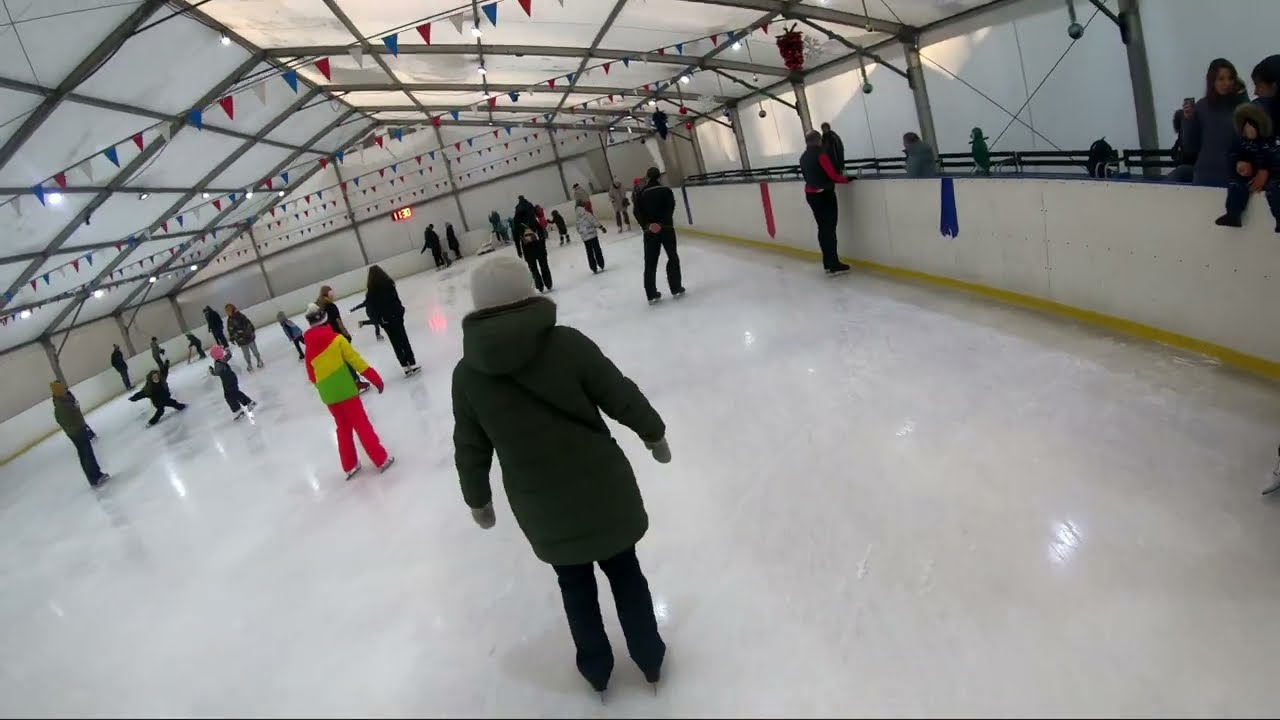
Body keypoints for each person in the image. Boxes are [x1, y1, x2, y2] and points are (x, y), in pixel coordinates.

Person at [451, 256, 672, 695]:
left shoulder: (467, 376)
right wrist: (653, 431)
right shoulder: (567, 344)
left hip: (541, 504)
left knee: (574, 585)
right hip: (603, 487)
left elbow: (470, 446)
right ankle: (649, 657)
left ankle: (597, 669)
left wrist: (477, 498)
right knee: (626, 573)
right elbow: (618, 392)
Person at [303, 302, 393, 479]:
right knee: (361, 423)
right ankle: (380, 458)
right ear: (325, 319)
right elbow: (357, 362)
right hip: (346, 391)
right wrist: (375, 379)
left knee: (343, 428)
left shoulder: (309, 348)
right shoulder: (337, 340)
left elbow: (311, 375)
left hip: (328, 396)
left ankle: (349, 465)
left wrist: (325, 387)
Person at [1178, 58, 1251, 186]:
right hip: (1205, 174)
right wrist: (1188, 119)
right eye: (1221, 79)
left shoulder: (1242, 106)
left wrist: (1242, 94)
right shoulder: (1202, 106)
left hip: (1235, 175)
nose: (1226, 83)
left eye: (1230, 78)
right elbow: (1190, 146)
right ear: (1212, 81)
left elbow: (1252, 140)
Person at [1215, 103, 1280, 230]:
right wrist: (1239, 164)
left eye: (1252, 126)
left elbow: (1275, 158)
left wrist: (1265, 169)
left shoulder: (1271, 142)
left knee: (1275, 188)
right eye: (1246, 126)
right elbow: (1231, 156)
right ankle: (1233, 215)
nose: (1249, 129)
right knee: (1236, 185)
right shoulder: (1240, 143)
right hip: (1249, 178)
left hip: (1273, 177)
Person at [800, 130, 852, 275]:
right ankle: (833, 262)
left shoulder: (803, 157)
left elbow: (806, 176)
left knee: (823, 229)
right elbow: (833, 175)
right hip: (824, 195)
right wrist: (847, 179)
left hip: (811, 195)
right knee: (829, 229)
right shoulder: (821, 154)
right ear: (819, 140)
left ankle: (827, 262)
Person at [633, 167, 685, 303]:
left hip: (650, 232)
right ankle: (676, 288)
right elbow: (670, 208)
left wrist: (648, 225)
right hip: (666, 228)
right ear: (659, 178)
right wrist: (662, 223)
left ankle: (651, 294)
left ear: (648, 178)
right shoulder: (666, 191)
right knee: (672, 257)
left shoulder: (641, 193)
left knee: (650, 263)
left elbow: (637, 212)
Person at [363, 264, 420, 376]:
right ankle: (412, 363)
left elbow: (372, 309)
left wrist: (380, 320)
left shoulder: (370, 292)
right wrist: (400, 311)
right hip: (396, 317)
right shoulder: (389, 285)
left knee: (395, 343)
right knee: (403, 339)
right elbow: (396, 300)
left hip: (385, 321)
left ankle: (404, 366)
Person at [52, 381, 109, 488]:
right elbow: (68, 417)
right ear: (59, 390)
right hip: (77, 431)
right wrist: (75, 411)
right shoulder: (62, 405)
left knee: (86, 453)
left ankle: (95, 475)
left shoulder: (63, 400)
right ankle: (95, 477)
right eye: (62, 388)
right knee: (86, 454)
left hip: (76, 430)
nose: (64, 390)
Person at [318, 285, 371, 393]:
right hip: (337, 337)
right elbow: (338, 322)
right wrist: (346, 335)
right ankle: (356, 383)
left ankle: (347, 384)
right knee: (347, 359)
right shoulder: (330, 306)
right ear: (328, 294)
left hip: (326, 339)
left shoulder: (320, 307)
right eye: (331, 292)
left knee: (339, 362)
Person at [128, 360, 187, 427]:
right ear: (151, 379)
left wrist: (166, 364)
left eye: (157, 376)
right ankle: (151, 422)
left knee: (173, 403)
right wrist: (134, 398)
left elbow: (165, 371)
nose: (156, 378)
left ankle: (182, 407)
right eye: (154, 377)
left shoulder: (162, 379)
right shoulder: (149, 387)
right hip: (157, 402)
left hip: (165, 398)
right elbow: (141, 394)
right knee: (161, 410)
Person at [515, 196, 552, 292]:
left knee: (533, 268)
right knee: (544, 265)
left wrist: (519, 250)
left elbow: (516, 237)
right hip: (538, 245)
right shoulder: (532, 219)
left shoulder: (517, 221)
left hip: (527, 248)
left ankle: (539, 285)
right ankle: (548, 283)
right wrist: (542, 242)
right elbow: (540, 231)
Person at [209, 345, 256, 419]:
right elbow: (229, 355)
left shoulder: (218, 364)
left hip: (227, 380)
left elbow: (217, 372)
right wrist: (228, 350)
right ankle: (240, 408)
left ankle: (247, 404)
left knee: (231, 394)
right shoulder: (223, 359)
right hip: (232, 378)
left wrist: (212, 371)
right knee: (232, 394)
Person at [225, 303, 263, 371]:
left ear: (231, 310)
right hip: (241, 340)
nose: (227, 313)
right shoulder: (229, 320)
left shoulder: (240, 316)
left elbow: (247, 325)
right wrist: (232, 338)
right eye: (226, 311)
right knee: (246, 354)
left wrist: (245, 332)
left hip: (248, 337)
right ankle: (249, 364)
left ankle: (259, 360)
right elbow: (230, 329)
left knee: (254, 350)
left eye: (228, 311)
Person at [575, 199, 608, 273]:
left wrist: (582, 233)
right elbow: (594, 221)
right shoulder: (586, 213)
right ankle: (601, 263)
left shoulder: (577, 217)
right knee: (597, 250)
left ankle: (593, 267)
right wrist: (601, 227)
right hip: (592, 235)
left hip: (585, 238)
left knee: (589, 252)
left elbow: (577, 228)